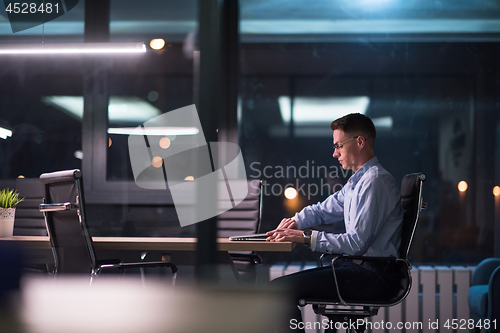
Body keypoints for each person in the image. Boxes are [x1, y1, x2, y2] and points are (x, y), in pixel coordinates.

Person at [266, 113, 404, 331]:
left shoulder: (375, 182)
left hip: (372, 276)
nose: (334, 153)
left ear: (360, 142)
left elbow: (355, 243)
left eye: (339, 145)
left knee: (279, 292)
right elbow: (323, 211)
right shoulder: (358, 181)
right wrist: (296, 221)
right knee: (279, 290)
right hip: (359, 270)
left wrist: (305, 237)